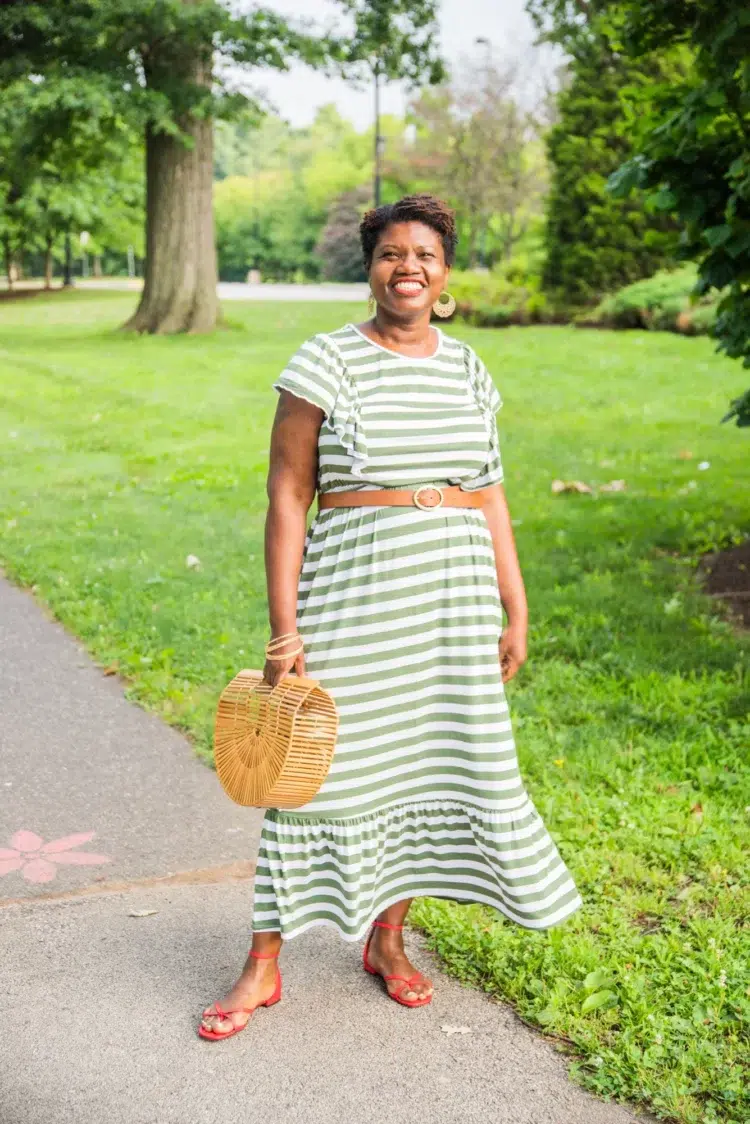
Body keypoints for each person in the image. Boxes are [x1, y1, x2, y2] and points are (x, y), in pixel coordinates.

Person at [199, 193, 582, 1040]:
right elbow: (289, 494)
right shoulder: (324, 361)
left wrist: (516, 606)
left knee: (416, 765)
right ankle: (263, 963)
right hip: (353, 596)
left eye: (426, 256)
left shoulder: (467, 366)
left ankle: (388, 939)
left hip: (450, 600)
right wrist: (284, 627)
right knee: (311, 773)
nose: (408, 267)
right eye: (391, 254)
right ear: (369, 266)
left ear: (445, 274)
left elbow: (489, 491)